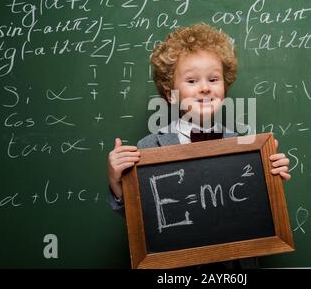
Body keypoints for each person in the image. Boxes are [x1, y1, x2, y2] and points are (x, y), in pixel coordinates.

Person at [107, 22, 291, 268]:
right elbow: (143, 220)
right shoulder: (149, 147)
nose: (205, 87)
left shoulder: (245, 147)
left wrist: (270, 177)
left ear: (225, 86)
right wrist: (118, 184)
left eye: (213, 79)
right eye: (192, 81)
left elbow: (254, 212)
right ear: (170, 93)